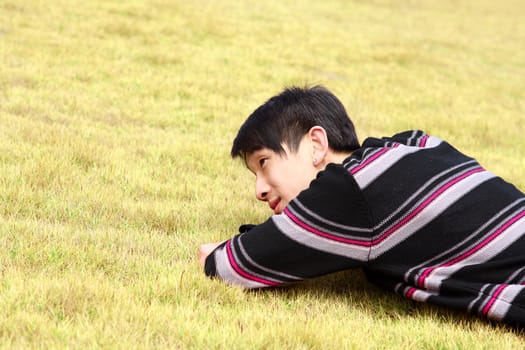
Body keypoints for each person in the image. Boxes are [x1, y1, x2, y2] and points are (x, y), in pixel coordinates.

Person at [199, 85, 525, 326]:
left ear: (316, 143)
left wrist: (218, 253)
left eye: (264, 162)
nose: (258, 189)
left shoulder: (351, 190)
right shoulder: (414, 144)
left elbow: (230, 265)